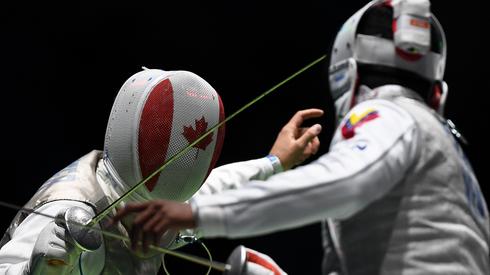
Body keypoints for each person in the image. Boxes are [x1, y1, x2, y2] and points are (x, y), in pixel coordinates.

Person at [112, 1, 490, 274]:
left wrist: (197, 213)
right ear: (437, 92)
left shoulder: (390, 115)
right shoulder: (449, 155)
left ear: (348, 72)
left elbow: (345, 182)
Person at [0, 68, 323, 274]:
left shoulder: (141, 193)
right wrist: (34, 270)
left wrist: (275, 162)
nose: (185, 162)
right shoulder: (71, 210)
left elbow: (213, 190)